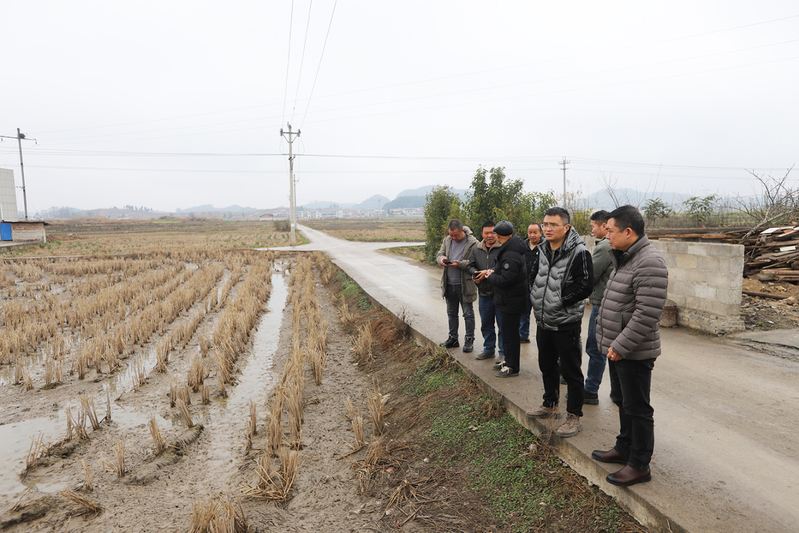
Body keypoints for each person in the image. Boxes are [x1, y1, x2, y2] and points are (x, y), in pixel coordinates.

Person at [591, 205, 668, 487]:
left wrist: (621, 345)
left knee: (638, 408)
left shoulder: (649, 262)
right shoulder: (626, 257)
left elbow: (647, 313)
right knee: (622, 401)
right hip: (618, 349)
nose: (607, 236)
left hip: (633, 351)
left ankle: (639, 464)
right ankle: (624, 447)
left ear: (628, 232)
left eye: (610, 231)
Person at [526, 207, 593, 438]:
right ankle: (550, 404)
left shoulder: (579, 252)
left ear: (566, 227)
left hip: (566, 322)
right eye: (545, 224)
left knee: (571, 370)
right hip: (543, 319)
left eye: (553, 225)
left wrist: (559, 301)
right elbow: (533, 275)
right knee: (546, 364)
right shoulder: (542, 249)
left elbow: (585, 286)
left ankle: (574, 416)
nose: (547, 229)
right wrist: (535, 295)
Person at [475, 220, 527, 378]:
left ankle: (512, 367)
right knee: (508, 334)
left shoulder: (510, 254)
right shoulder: (511, 248)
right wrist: (494, 271)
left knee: (510, 336)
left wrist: (490, 276)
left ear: (498, 235)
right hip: (508, 300)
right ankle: (508, 361)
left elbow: (506, 279)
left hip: (510, 301)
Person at [583, 211, 613, 405]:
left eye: (593, 226)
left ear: (604, 226)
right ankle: (617, 392)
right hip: (611, 303)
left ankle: (591, 389)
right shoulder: (614, 245)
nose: (592, 230)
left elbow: (590, 275)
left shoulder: (604, 247)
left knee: (595, 348)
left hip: (601, 303)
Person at [436, 219, 478, 352]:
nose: (453, 238)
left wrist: (459, 264)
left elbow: (475, 263)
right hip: (449, 283)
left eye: (456, 235)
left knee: (468, 313)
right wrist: (441, 260)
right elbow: (439, 254)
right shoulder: (447, 240)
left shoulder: (473, 243)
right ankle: (453, 338)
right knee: (451, 313)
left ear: (463, 231)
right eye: (451, 235)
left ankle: (469, 339)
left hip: (465, 284)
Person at [467, 221, 504, 363]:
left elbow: (503, 267)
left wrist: (488, 272)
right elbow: (470, 266)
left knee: (502, 325)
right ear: (482, 234)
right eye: (487, 233)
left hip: (499, 293)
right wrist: (475, 273)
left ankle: (503, 352)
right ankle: (489, 349)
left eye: (493, 232)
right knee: (486, 324)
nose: (490, 235)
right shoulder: (477, 249)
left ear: (497, 233)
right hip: (483, 294)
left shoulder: (502, 248)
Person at [519, 223, 543, 343]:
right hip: (525, 286)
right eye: (530, 232)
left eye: (535, 232)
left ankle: (543, 337)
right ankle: (523, 335)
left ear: (540, 233)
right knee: (524, 312)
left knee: (541, 314)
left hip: (540, 288)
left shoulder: (546, 247)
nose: (532, 235)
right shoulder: (522, 247)